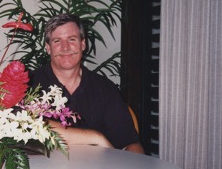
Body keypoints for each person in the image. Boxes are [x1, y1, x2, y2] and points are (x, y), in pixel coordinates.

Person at [29, 14, 144, 154]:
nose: (65, 48)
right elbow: (25, 124)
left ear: (83, 44)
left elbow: (130, 144)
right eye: (57, 41)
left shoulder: (104, 88)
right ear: (48, 47)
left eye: (72, 39)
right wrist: (96, 138)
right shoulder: (28, 83)